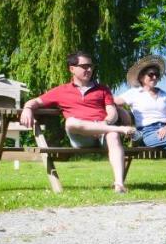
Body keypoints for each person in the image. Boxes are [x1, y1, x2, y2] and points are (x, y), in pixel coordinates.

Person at [19, 51, 135, 193]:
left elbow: (112, 113)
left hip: (103, 132)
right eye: (84, 66)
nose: (89, 69)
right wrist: (27, 108)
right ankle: (119, 129)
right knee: (70, 123)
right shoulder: (61, 91)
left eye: (91, 66)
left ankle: (119, 184)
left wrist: (104, 124)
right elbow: (36, 101)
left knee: (113, 136)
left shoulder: (102, 89)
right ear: (72, 69)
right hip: (81, 136)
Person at [117, 55, 166, 189]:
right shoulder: (134, 93)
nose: (154, 77)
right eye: (151, 74)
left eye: (157, 75)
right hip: (148, 132)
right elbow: (112, 102)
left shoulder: (165, 95)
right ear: (141, 77)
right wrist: (125, 119)